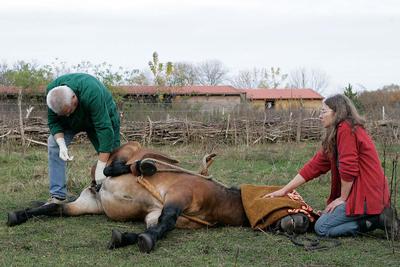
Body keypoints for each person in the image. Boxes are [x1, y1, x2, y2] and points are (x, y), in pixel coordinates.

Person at [264, 94, 399, 239]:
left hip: (367, 195)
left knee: (322, 228)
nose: (320, 116)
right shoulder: (336, 133)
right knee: (324, 221)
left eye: (323, 111)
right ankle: (373, 217)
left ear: (337, 112)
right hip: (362, 193)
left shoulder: (346, 128)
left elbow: (348, 168)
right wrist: (284, 190)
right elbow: (314, 166)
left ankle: (376, 220)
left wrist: (342, 198)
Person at [46, 73, 120, 204]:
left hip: (100, 118)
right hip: (74, 122)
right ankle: (58, 196)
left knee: (113, 156)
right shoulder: (53, 95)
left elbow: (104, 128)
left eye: (69, 110)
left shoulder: (91, 91)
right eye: (64, 114)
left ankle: (112, 194)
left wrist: (101, 167)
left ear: (74, 97)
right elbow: (53, 122)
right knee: (53, 143)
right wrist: (61, 144)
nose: (67, 115)